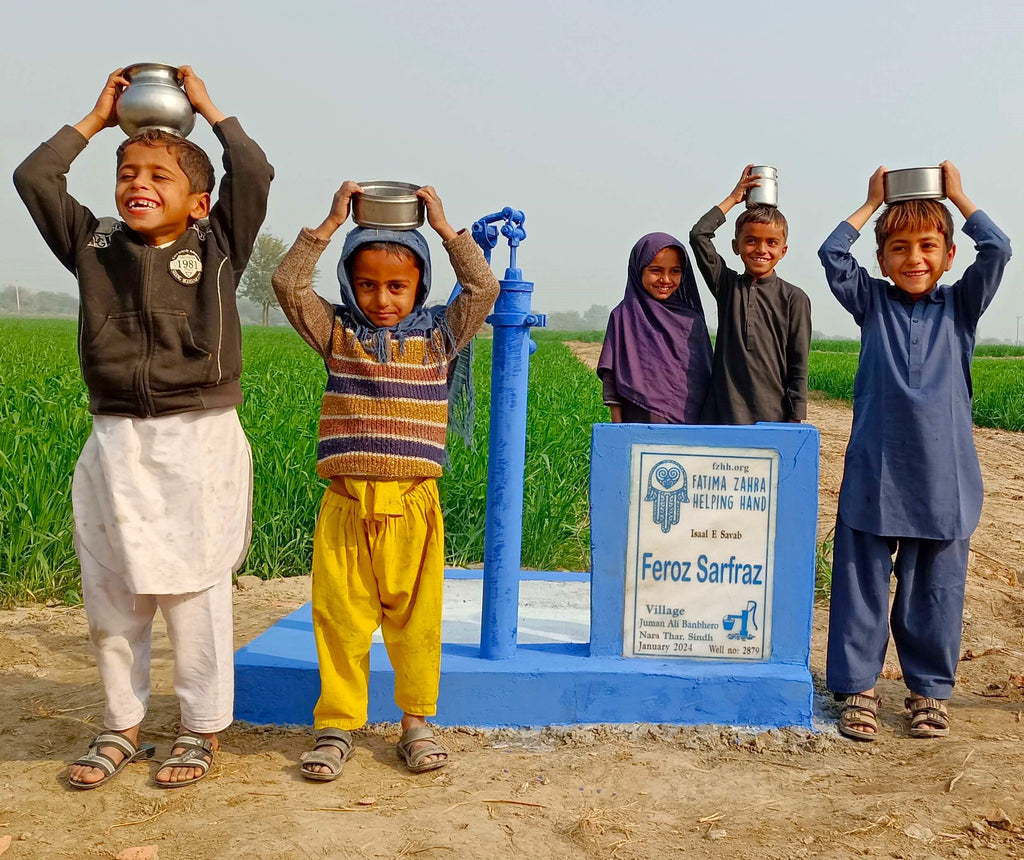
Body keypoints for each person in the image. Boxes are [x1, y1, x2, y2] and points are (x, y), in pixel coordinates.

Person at [13, 67, 274, 787]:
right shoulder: (94, 246)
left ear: (199, 202)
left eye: (159, 174)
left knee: (194, 596)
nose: (139, 182)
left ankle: (200, 729)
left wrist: (209, 108)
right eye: (129, 171)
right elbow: (35, 176)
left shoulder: (218, 244)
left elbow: (251, 168)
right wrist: (100, 116)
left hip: (198, 441)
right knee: (113, 594)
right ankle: (120, 725)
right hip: (117, 440)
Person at [271, 181, 499, 780]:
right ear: (350, 282)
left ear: (420, 284)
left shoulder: (439, 339)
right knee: (341, 620)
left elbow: (482, 288)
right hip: (346, 506)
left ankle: (416, 722)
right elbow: (289, 285)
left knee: (415, 623)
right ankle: (337, 724)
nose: (381, 298)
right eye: (367, 284)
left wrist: (447, 231)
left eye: (397, 286)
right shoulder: (336, 335)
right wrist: (329, 222)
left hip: (414, 509)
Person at [818, 162, 1011, 741]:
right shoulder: (871, 303)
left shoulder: (961, 307)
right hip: (876, 472)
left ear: (949, 255)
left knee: (936, 591)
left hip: (943, 481)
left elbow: (997, 249)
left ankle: (928, 692)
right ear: (881, 260)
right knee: (862, 585)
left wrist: (957, 197)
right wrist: (871, 204)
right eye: (898, 248)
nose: (914, 258)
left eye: (928, 246)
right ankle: (857, 690)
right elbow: (833, 254)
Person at [689, 165, 812, 424]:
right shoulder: (727, 286)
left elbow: (799, 364)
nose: (761, 249)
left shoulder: (794, 299)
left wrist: (794, 420)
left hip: (771, 417)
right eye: (751, 240)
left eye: (771, 243)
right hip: (721, 415)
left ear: (783, 251)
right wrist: (734, 198)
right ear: (736, 246)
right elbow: (699, 235)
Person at [597, 233, 712, 423]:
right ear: (638, 270)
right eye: (656, 270)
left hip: (687, 425)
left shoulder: (691, 320)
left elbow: (704, 380)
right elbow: (611, 380)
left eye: (675, 271)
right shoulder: (623, 316)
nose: (666, 279)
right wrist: (617, 431)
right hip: (638, 422)